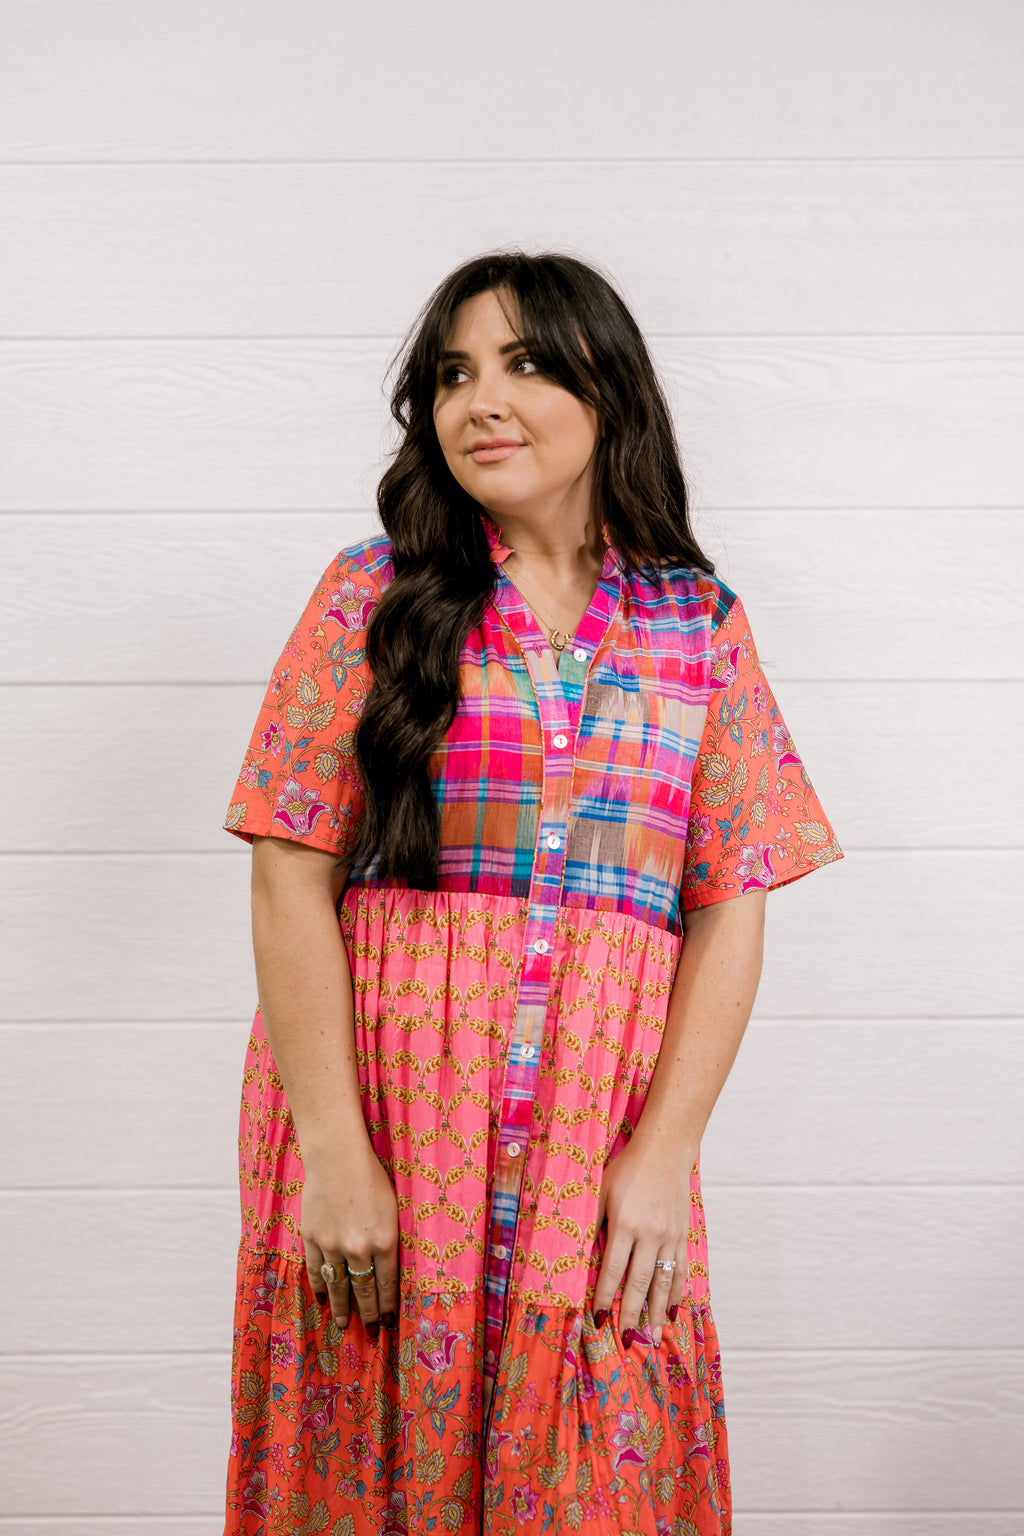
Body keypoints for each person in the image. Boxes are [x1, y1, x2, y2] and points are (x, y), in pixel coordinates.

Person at [221, 250, 843, 1535]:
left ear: (606, 389)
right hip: (387, 1127)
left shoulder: (696, 626)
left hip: (595, 1144)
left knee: (604, 1464)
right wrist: (336, 1158)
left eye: (523, 363)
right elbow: (290, 868)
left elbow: (733, 899)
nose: (478, 401)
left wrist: (663, 1155)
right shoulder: (374, 598)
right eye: (452, 374)